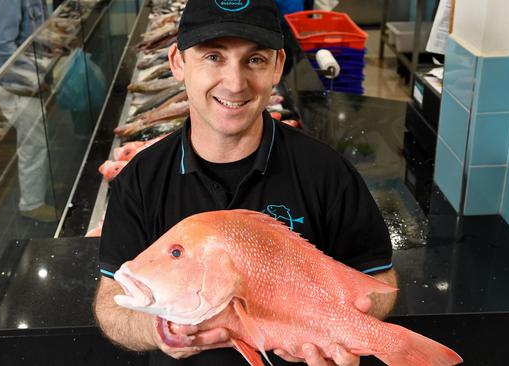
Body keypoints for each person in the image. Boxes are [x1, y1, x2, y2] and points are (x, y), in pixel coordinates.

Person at [93, 0, 397, 365]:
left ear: (277, 66)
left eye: (255, 59)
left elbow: (379, 279)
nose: (235, 84)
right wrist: (158, 331)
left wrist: (343, 327)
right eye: (213, 57)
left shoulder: (326, 171)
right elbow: (111, 304)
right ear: (178, 62)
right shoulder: (141, 179)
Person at [0, 0, 57, 222]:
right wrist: (31, 76)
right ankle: (32, 203)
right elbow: (2, 45)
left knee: (37, 138)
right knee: (33, 142)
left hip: (29, 77)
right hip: (15, 82)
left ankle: (39, 187)